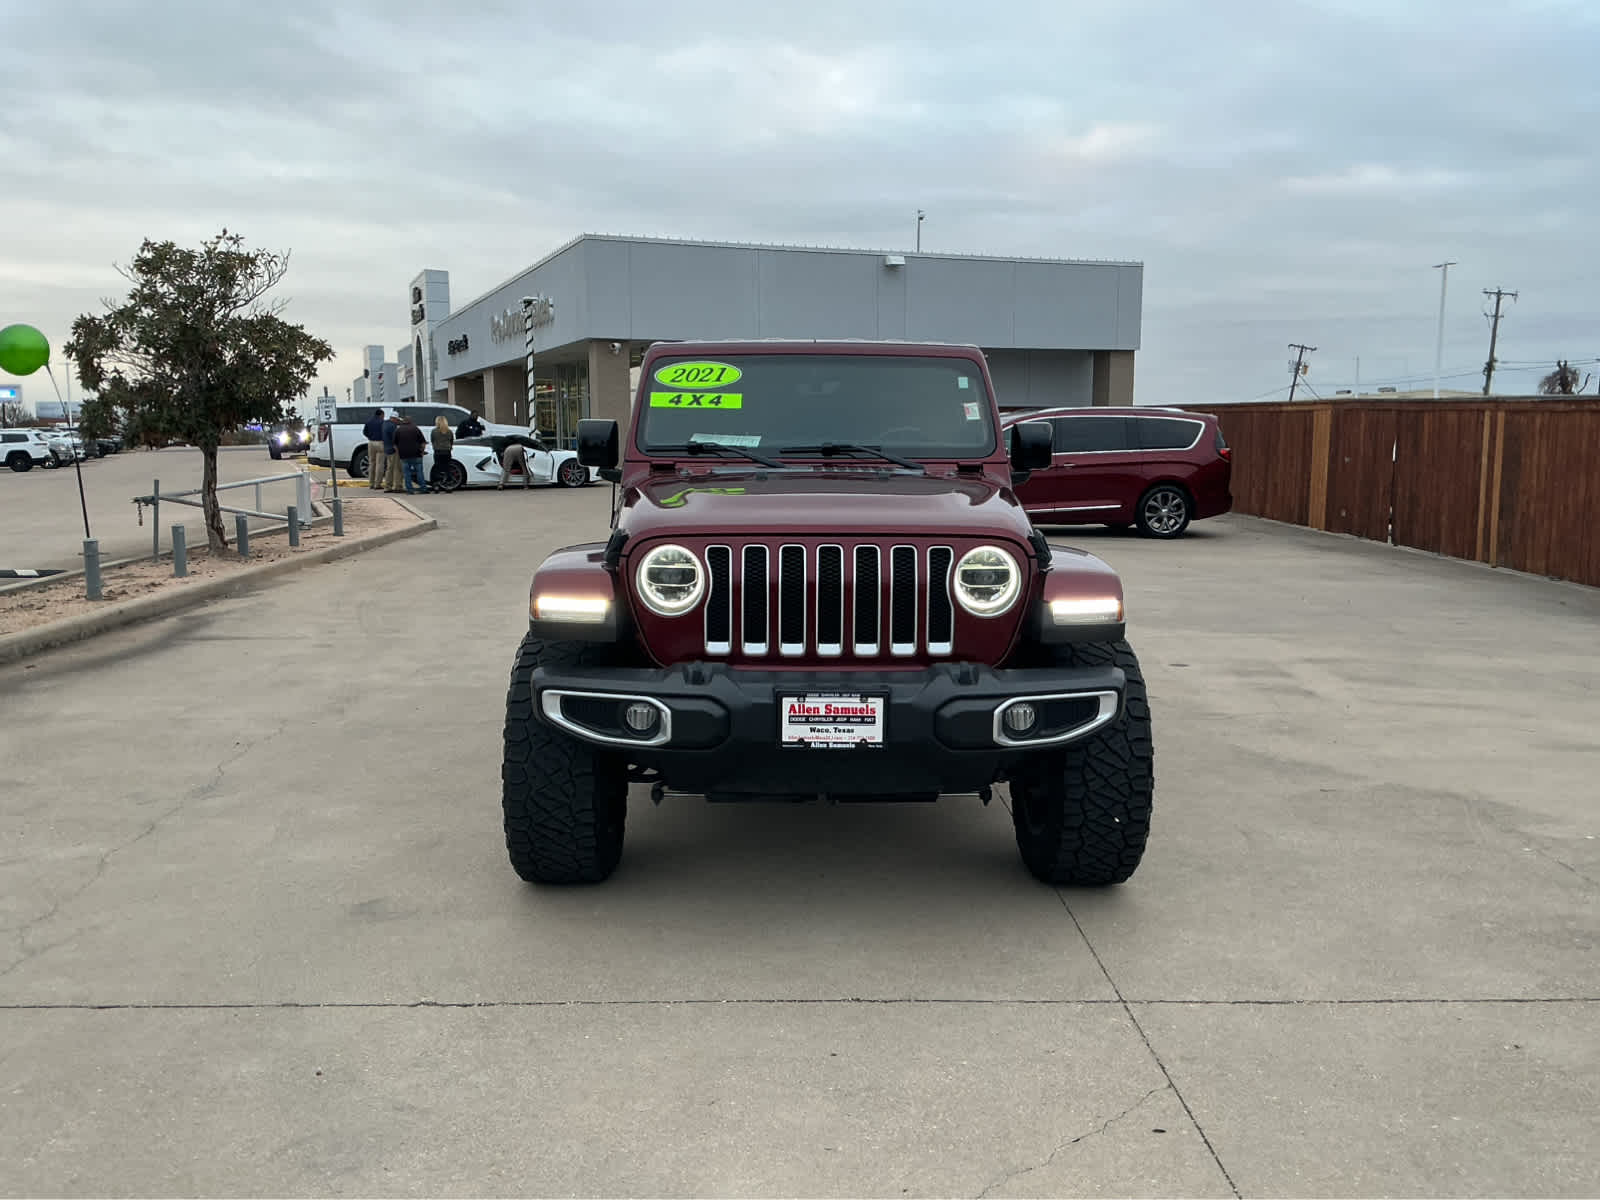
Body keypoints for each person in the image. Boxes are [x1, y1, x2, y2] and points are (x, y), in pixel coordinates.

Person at [392, 414, 428, 494]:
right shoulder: (416, 429)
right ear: (411, 421)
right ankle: (423, 488)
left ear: (403, 421)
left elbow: (394, 445)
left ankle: (409, 490)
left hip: (404, 455)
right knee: (419, 472)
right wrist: (422, 452)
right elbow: (423, 443)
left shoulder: (398, 430)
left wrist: (399, 453)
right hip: (416, 454)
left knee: (406, 473)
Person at [362, 408, 386, 488]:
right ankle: (377, 484)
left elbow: (364, 432)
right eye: (383, 415)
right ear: (381, 415)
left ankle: (371, 483)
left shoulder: (369, 422)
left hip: (371, 443)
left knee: (371, 463)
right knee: (380, 464)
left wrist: (370, 437)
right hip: (380, 443)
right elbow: (385, 433)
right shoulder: (382, 422)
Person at [429, 415, 454, 491]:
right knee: (447, 468)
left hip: (438, 451)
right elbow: (451, 441)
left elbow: (432, 440)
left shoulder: (434, 431)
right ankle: (448, 484)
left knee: (437, 468)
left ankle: (437, 485)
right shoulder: (449, 431)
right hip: (447, 451)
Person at [381, 411, 403, 492]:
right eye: (397, 420)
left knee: (389, 468)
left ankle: (388, 486)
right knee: (397, 468)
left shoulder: (384, 424)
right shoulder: (393, 426)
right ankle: (397, 486)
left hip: (387, 448)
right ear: (394, 418)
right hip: (393, 449)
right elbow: (395, 439)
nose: (397, 421)